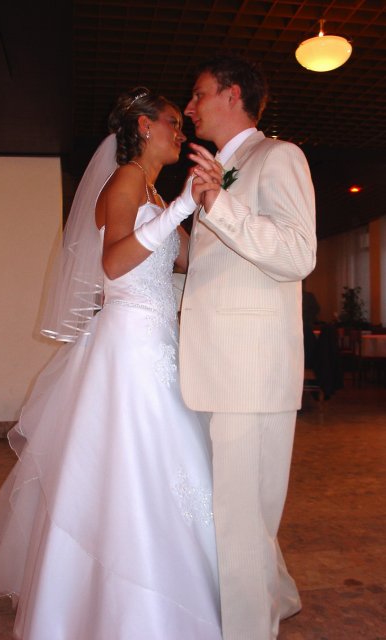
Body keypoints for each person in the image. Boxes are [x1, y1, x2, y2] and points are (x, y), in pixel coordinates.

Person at [0, 88, 223, 640]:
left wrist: (203, 205)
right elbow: (115, 262)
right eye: (172, 122)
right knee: (135, 466)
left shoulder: (151, 190)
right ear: (144, 126)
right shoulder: (126, 179)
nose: (181, 132)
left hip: (159, 342)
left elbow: (183, 259)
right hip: (131, 347)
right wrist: (179, 208)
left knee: (167, 465)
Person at [179, 54, 317, 640]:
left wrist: (219, 205)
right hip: (214, 366)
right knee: (242, 514)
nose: (189, 107)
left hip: (251, 371)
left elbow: (297, 254)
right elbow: (214, 273)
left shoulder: (278, 157)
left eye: (198, 94)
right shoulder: (216, 172)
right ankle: (278, 596)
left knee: (238, 521)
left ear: (232, 94)